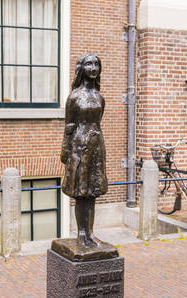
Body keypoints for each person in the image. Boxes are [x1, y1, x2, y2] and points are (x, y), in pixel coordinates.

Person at [61, 53, 108, 247]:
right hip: (79, 145)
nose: (93, 68)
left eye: (96, 64)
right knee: (81, 192)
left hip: (96, 143)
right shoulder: (74, 97)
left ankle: (90, 233)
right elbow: (69, 125)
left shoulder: (99, 96)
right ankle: (81, 233)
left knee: (92, 191)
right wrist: (65, 150)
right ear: (82, 68)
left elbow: (99, 121)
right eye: (89, 64)